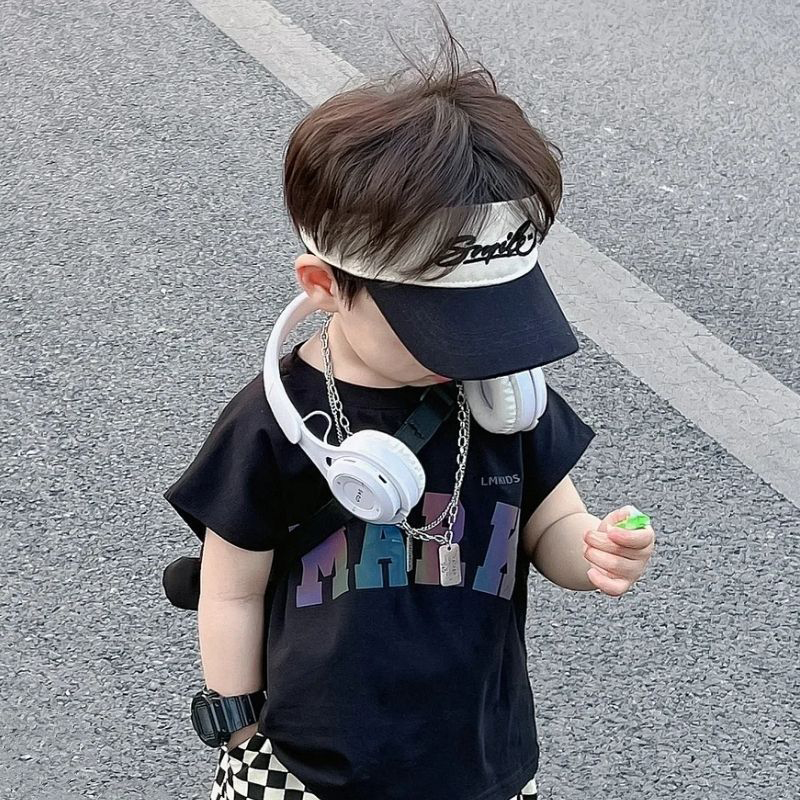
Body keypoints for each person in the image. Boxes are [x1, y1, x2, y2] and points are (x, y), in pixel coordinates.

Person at [162, 17, 656, 800]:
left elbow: (551, 523)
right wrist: (242, 733)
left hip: (481, 761)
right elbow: (231, 589)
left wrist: (594, 550)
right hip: (309, 768)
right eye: (442, 327)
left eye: (494, 320)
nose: (476, 351)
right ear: (325, 286)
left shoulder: (503, 399)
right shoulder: (274, 421)